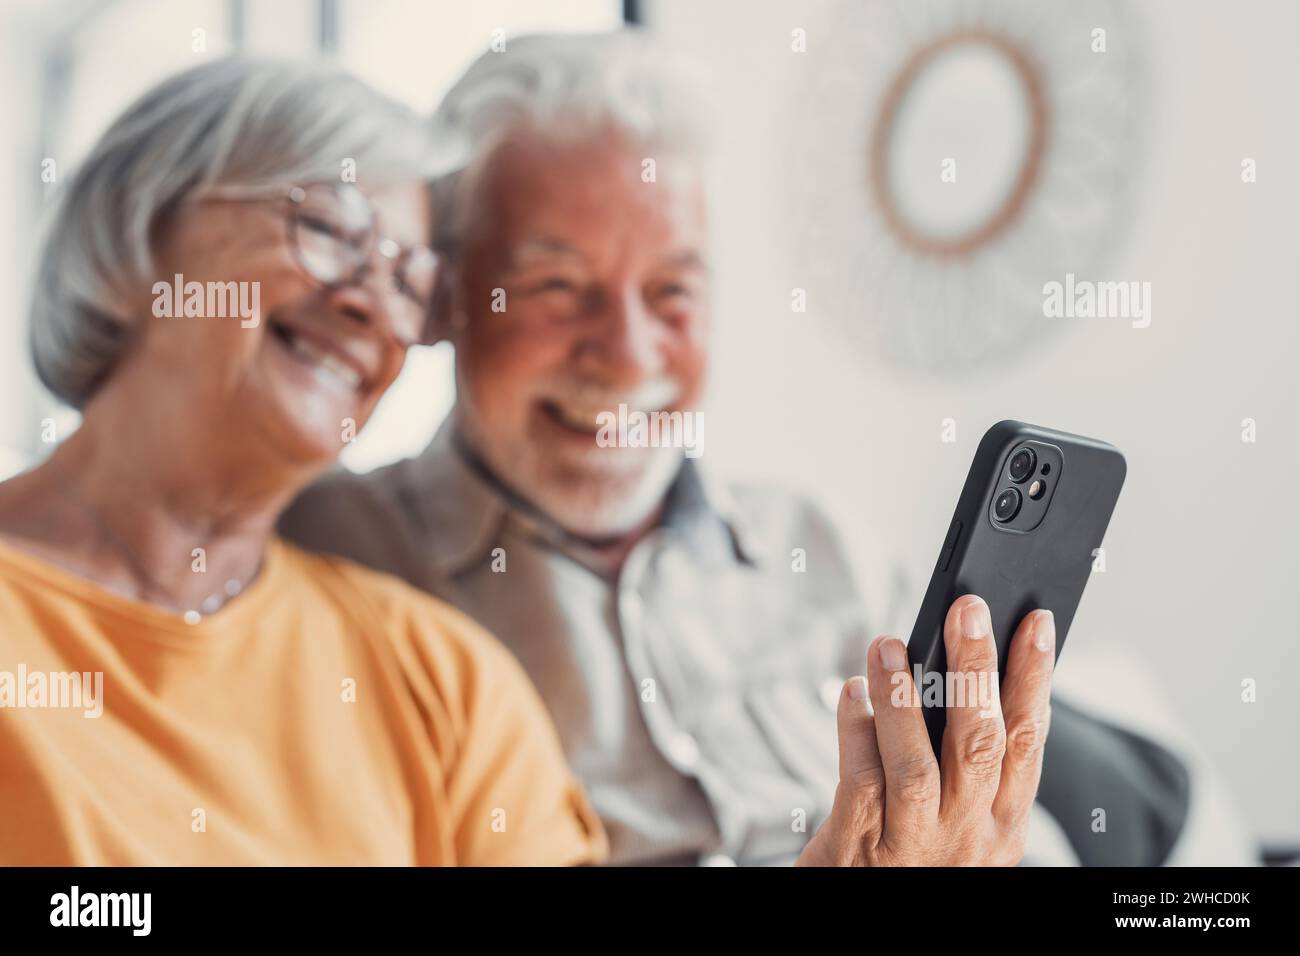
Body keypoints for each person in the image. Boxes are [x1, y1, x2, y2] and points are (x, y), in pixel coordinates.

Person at [281, 32, 1248, 866]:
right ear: (447, 297)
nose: (628, 356)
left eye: (673, 293)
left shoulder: (822, 547)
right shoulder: (329, 557)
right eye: (556, 288)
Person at [0, 57, 604, 866]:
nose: (367, 305)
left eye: (406, 279)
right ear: (136, 236)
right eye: (326, 228)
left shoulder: (445, 683)